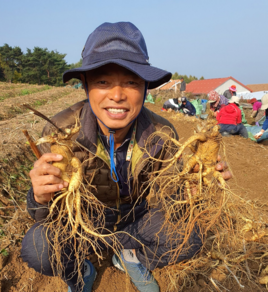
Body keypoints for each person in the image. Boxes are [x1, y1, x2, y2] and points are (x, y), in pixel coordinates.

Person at [21, 22, 231, 292]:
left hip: (137, 223)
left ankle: (131, 256)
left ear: (145, 88)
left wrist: (193, 187)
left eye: (131, 82)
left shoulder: (162, 132)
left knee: (193, 236)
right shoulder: (59, 132)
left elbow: (170, 199)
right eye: (103, 81)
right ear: (86, 86)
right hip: (86, 226)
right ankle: (79, 270)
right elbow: (44, 214)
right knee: (39, 247)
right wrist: (38, 196)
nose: (117, 95)